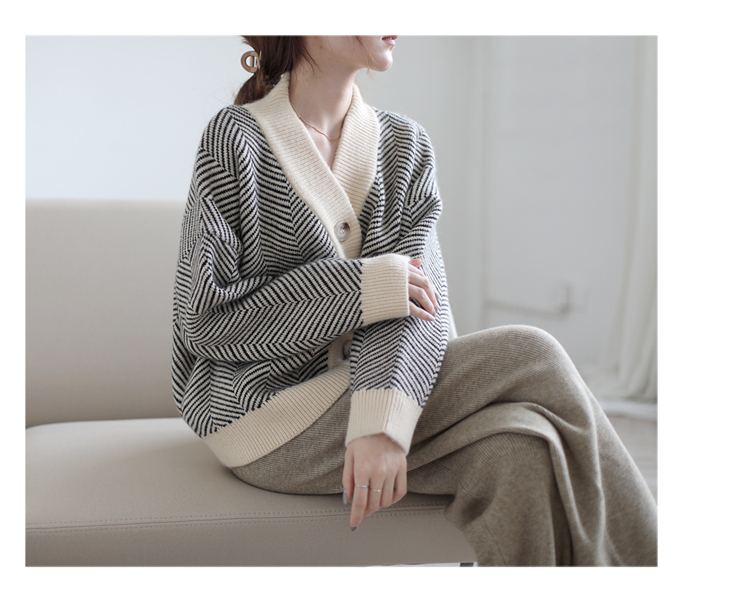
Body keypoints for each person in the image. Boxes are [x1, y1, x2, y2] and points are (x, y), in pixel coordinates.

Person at [171, 35, 658, 566]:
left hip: (366, 392)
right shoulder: (234, 139)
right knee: (533, 354)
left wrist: (380, 417)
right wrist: (367, 288)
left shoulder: (405, 145)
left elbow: (421, 306)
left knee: (523, 449)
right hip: (265, 415)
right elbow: (206, 320)